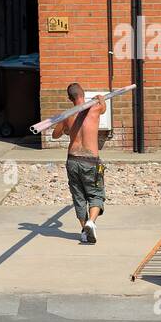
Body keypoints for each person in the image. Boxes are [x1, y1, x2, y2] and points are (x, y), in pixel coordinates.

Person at [51, 83, 107, 245]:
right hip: (90, 161)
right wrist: (101, 100)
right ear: (84, 94)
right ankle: (91, 223)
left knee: (79, 197)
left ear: (70, 98)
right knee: (96, 194)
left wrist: (64, 124)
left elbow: (55, 135)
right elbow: (103, 107)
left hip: (73, 160)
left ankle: (84, 232)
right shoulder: (95, 109)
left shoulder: (67, 115)